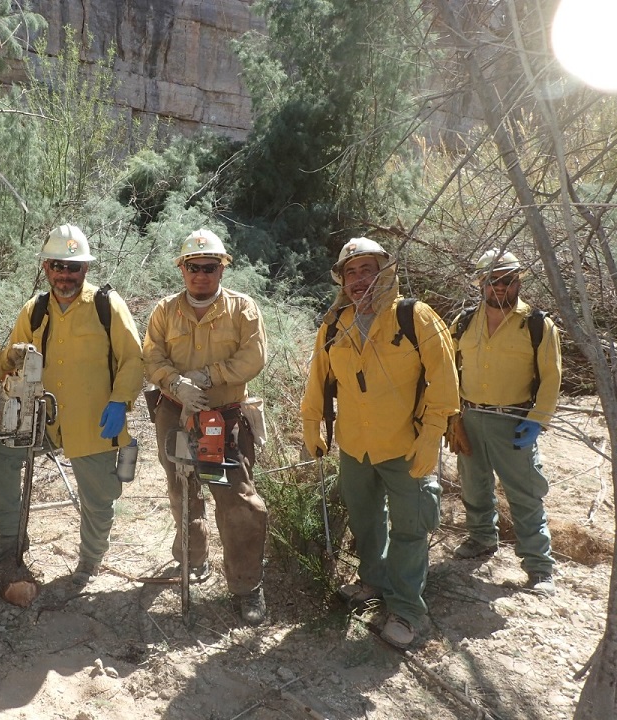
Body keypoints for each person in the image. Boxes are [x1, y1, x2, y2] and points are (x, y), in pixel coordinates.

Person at [300, 237, 459, 648]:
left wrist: (432, 437)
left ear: (385, 272)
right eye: (350, 273)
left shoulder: (416, 318)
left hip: (406, 445)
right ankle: (373, 579)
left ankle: (406, 610)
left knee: (410, 526)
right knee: (364, 518)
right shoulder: (335, 324)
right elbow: (317, 379)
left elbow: (444, 382)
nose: (358, 280)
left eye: (366, 269)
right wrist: (311, 425)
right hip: (355, 445)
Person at [0, 224, 143, 585]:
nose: (65, 275)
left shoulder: (106, 305)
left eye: (74, 267)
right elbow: (8, 363)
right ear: (46, 268)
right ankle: (9, 536)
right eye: (58, 266)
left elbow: (133, 358)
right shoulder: (34, 310)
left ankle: (89, 562)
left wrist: (120, 402)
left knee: (98, 497)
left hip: (94, 421)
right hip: (41, 419)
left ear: (85, 269)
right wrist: (12, 357)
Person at [143, 228, 269, 626]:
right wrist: (173, 381)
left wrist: (208, 377)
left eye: (209, 267)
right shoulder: (165, 311)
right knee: (182, 489)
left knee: (234, 499)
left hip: (221, 420)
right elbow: (151, 354)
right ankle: (192, 559)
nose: (201, 274)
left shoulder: (241, 309)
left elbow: (254, 357)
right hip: (176, 415)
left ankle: (247, 586)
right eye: (193, 267)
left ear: (222, 269)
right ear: (182, 269)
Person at [447, 249, 561, 596]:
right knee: (473, 485)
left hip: (514, 421)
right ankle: (481, 538)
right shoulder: (464, 322)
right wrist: (451, 414)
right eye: (493, 281)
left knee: (525, 494)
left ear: (518, 281)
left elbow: (552, 377)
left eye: (508, 280)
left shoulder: (538, 325)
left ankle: (539, 566)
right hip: (470, 416)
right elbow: (448, 367)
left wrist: (537, 421)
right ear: (481, 283)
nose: (500, 288)